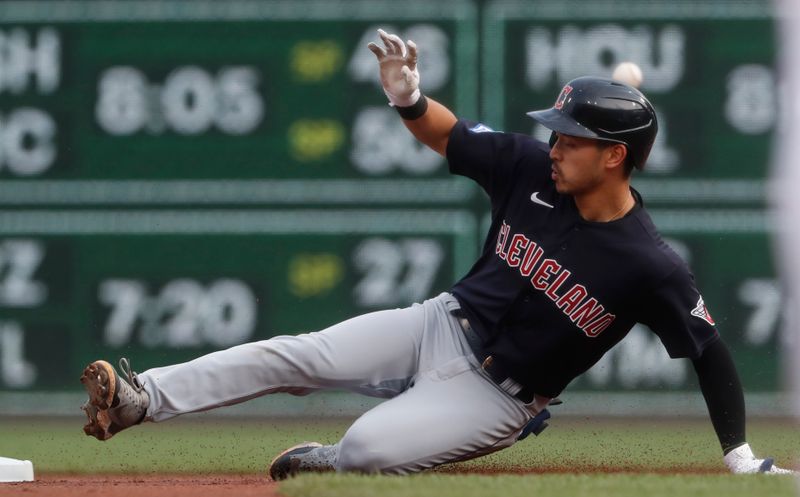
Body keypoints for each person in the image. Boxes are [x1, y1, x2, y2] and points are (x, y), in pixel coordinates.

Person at [80, 29, 793, 478]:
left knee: (364, 450)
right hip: (440, 322)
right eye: (556, 133)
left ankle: (342, 454)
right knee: (295, 353)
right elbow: (454, 137)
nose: (555, 146)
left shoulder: (649, 263)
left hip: (497, 397)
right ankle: (145, 400)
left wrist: (736, 455)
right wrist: (410, 98)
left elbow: (709, 350)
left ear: (614, 158)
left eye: (572, 139)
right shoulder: (526, 167)